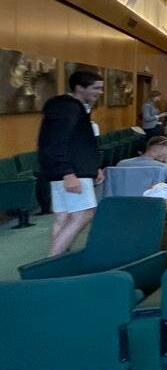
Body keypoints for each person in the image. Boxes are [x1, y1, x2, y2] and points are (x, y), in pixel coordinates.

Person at [38, 70, 106, 256]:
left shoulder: (69, 107)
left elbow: (81, 142)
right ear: (79, 88)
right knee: (84, 214)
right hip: (72, 171)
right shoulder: (68, 109)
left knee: (64, 217)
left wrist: (94, 166)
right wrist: (68, 173)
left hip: (69, 169)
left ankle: (57, 260)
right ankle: (52, 261)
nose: (100, 92)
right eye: (96, 88)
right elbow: (57, 142)